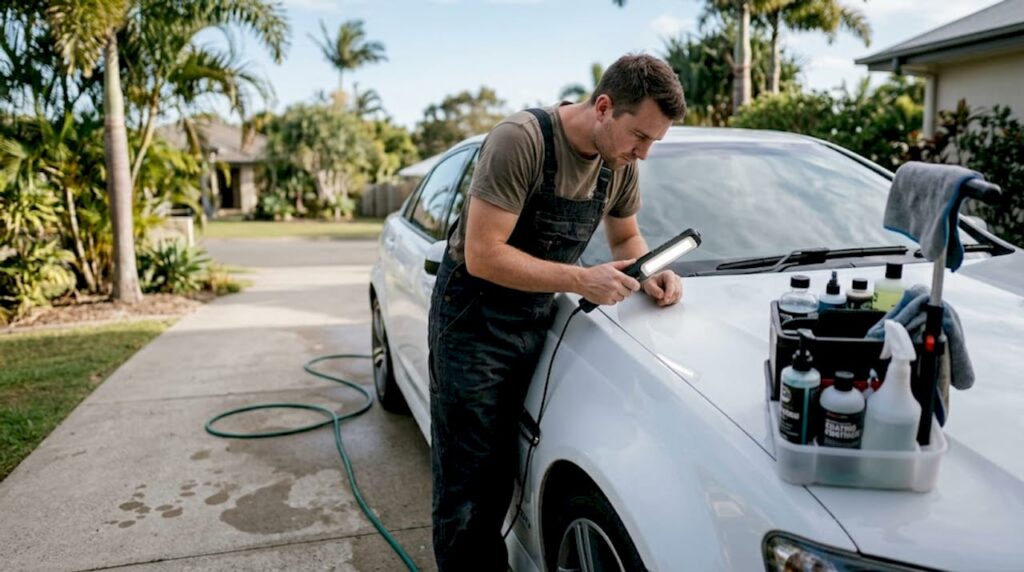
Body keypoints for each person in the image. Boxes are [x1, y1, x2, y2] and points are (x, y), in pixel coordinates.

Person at [427, 53, 687, 571]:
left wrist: (649, 271)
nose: (644, 153)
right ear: (604, 107)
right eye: (640, 136)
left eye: (654, 142)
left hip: (533, 321)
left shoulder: (619, 163)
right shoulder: (521, 141)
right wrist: (580, 279)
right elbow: (483, 254)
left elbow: (626, 237)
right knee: (470, 489)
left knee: (505, 468)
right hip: (472, 326)